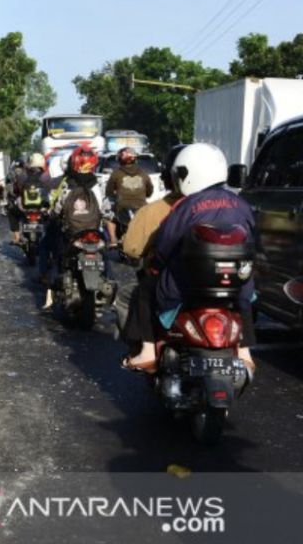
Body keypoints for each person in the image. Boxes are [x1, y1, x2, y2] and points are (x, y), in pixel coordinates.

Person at [153, 142, 256, 374]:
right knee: (248, 297)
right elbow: (253, 241)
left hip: (188, 286)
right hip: (236, 286)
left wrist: (156, 265)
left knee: (154, 291)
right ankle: (246, 351)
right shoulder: (242, 204)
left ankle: (155, 346)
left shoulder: (187, 206)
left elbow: (164, 244)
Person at [118, 144, 185, 371]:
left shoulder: (155, 211)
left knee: (130, 295)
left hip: (167, 283)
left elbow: (132, 249)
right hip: (213, 282)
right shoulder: (221, 206)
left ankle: (141, 349)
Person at [39, 145, 103, 310]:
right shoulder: (96, 183)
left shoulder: (67, 183)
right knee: (105, 254)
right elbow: (104, 207)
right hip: (94, 231)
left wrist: (53, 214)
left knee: (58, 255)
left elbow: (59, 207)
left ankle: (50, 293)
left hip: (72, 232)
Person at [104, 147, 154, 247]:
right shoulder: (143, 173)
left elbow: (108, 192)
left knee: (107, 216)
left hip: (122, 207)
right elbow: (150, 192)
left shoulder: (116, 173)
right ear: (135, 159)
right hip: (141, 207)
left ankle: (113, 240)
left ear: (120, 159)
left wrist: (116, 194)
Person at [10, 153, 50, 245]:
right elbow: (50, 190)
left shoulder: (22, 176)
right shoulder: (46, 176)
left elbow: (16, 190)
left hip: (24, 207)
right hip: (42, 207)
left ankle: (16, 236)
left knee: (12, 211)